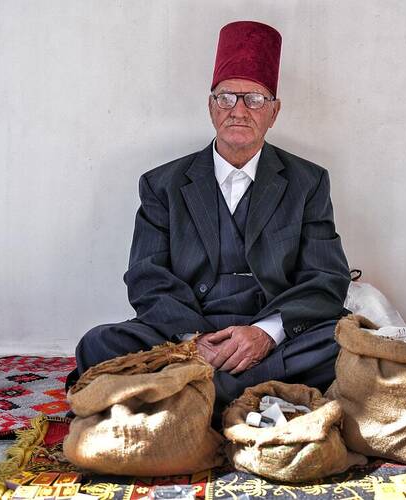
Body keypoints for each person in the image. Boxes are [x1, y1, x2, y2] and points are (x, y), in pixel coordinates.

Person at [66, 21, 351, 416]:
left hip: (271, 335)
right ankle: (248, 392)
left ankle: (186, 392)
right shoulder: (162, 184)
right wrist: (192, 340)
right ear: (210, 105)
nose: (238, 111)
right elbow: (146, 276)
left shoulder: (308, 181)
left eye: (253, 99)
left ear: (274, 111)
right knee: (97, 343)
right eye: (226, 97)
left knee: (344, 342)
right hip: (186, 334)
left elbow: (327, 278)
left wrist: (264, 334)